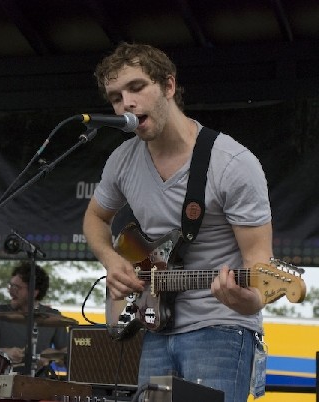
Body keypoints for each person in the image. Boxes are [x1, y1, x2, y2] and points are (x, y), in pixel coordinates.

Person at [82, 42, 272, 402]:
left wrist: (245, 301)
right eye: (116, 97)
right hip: (155, 326)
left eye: (136, 88)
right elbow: (95, 216)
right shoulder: (122, 160)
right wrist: (112, 260)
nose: (126, 104)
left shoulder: (232, 163)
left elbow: (260, 274)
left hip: (221, 329)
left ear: (168, 86)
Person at [0, 262, 69, 375]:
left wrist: (52, 355)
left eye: (17, 288)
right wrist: (3, 353)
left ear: (34, 292)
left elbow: (66, 357)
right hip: (4, 381)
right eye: (10, 285)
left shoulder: (53, 317)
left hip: (41, 382)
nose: (11, 291)